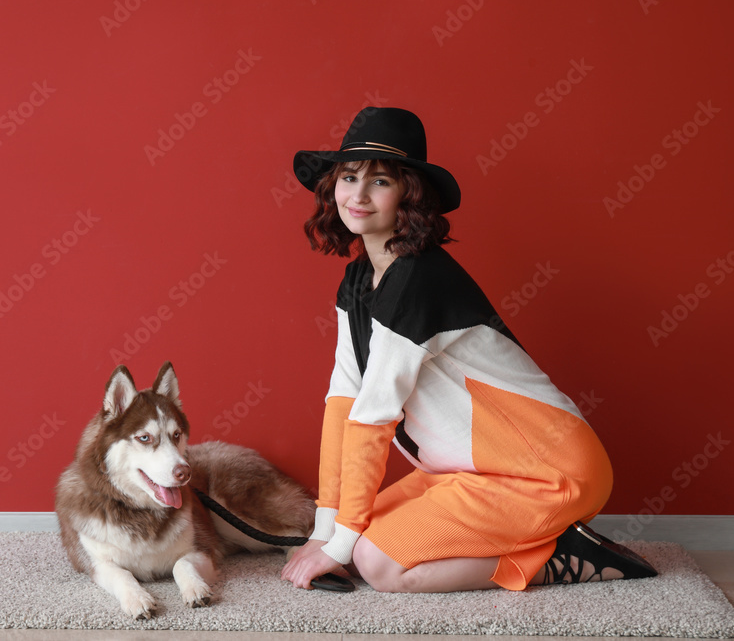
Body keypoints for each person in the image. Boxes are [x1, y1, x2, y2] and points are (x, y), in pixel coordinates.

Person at [281, 107, 657, 593]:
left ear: (408, 196)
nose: (358, 194)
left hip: (545, 473)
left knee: (377, 563)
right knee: (354, 541)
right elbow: (343, 402)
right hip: (466, 473)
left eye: (380, 182)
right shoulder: (358, 280)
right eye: (349, 176)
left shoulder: (417, 277)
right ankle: (538, 540)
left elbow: (373, 416)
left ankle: (567, 556)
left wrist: (338, 544)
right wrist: (326, 530)